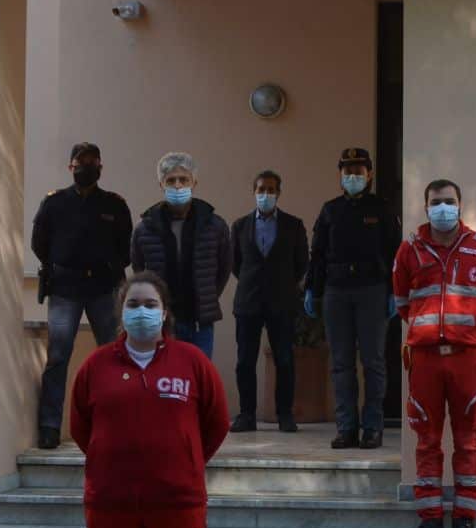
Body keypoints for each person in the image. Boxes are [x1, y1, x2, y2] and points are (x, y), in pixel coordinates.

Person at [68, 271, 230, 528]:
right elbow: (80, 427)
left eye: (150, 304)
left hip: (177, 503)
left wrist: (183, 460)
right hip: (111, 505)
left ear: (165, 313)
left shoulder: (192, 362)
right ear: (121, 314)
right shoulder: (96, 366)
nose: (142, 312)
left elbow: (216, 422)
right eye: (134, 304)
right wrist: (114, 463)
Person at [392, 180, 476, 528]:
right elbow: (401, 302)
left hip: (466, 361)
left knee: (467, 440)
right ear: (425, 206)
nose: (442, 207)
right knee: (426, 439)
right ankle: (429, 518)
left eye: (449, 201)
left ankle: (465, 517)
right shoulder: (409, 249)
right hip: (425, 361)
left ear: (460, 205)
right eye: (435, 202)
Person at [31, 141, 132, 449]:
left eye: (92, 162)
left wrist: (107, 267)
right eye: (80, 162)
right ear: (70, 167)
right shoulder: (54, 203)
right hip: (65, 290)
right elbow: (39, 244)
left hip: (104, 289)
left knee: (114, 356)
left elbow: (125, 248)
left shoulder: (114, 204)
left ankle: (117, 421)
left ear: (101, 166)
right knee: (58, 357)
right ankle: (50, 427)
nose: (86, 167)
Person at [307, 148, 402, 449]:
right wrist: (312, 289)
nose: (352, 177)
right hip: (337, 290)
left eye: (358, 172)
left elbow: (394, 254)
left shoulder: (382, 208)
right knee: (341, 363)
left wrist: (394, 292)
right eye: (347, 171)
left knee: (373, 361)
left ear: (369, 175)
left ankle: (372, 427)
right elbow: (318, 254)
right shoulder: (330, 210)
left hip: (372, 290)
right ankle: (346, 427)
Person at [229, 170, 308, 433]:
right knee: (245, 361)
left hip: (281, 302)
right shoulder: (240, 226)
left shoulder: (293, 225)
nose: (266, 194)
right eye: (261, 189)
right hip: (249, 301)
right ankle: (246, 414)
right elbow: (235, 264)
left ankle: (284, 414)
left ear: (279, 193)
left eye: (271, 190)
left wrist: (281, 284)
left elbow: (301, 264)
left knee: (284, 359)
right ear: (254, 192)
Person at [130, 151, 231, 355]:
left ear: (194, 182)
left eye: (183, 179)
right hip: (162, 321)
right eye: (171, 180)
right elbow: (139, 269)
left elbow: (224, 268)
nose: (177, 185)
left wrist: (206, 295)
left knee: (198, 378)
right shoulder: (145, 228)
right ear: (161, 184)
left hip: (199, 321)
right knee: (163, 378)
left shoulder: (215, 225)